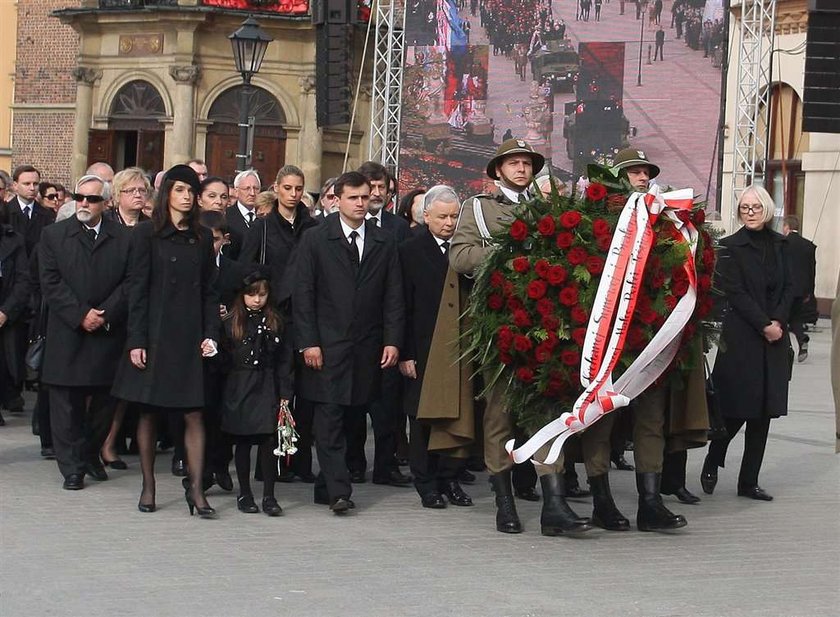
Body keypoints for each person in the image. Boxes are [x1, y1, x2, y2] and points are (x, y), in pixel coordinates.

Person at [450, 138, 592, 536]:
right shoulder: (479, 208)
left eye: (527, 163)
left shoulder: (548, 208)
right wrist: (506, 251)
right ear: (497, 170)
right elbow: (459, 257)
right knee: (500, 416)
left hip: (545, 323)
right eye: (513, 163)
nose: (521, 168)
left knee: (547, 413)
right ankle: (504, 503)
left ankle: (554, 506)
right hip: (501, 324)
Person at [600, 147, 707, 531]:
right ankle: (602, 501)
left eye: (646, 172)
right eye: (633, 172)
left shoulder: (665, 220)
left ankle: (650, 502)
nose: (642, 178)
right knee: (601, 419)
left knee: (651, 419)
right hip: (609, 337)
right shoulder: (599, 217)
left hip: (652, 335)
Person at [111, 164, 221, 516]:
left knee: (194, 413)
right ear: (167, 195)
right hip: (156, 334)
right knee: (148, 412)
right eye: (180, 190)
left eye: (191, 191)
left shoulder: (203, 237)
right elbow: (137, 290)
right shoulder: (146, 235)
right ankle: (148, 484)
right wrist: (136, 340)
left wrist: (210, 335)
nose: (187, 197)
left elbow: (209, 291)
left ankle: (197, 489)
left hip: (189, 335)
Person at [292, 171, 404, 514]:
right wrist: (308, 342)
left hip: (366, 346)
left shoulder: (384, 241)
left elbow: (393, 294)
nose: (359, 203)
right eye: (352, 197)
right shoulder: (316, 238)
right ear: (336, 199)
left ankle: (327, 485)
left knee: (353, 413)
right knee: (329, 416)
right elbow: (303, 293)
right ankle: (340, 489)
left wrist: (392, 340)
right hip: (326, 345)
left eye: (364, 196)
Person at [702, 185, 794, 502]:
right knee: (734, 411)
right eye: (745, 208)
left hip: (774, 340)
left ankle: (748, 481)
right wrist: (764, 324)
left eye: (756, 207)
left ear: (767, 209)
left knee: (764, 414)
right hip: (742, 338)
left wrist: (778, 322)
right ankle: (714, 459)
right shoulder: (729, 246)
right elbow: (735, 292)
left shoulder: (783, 245)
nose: (751, 212)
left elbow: (789, 289)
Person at [38, 174, 130, 490]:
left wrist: (104, 314)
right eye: (79, 197)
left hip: (107, 330)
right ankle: (72, 467)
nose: (84, 204)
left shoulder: (123, 238)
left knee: (105, 401)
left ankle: (90, 453)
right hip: (68, 330)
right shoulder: (54, 235)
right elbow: (50, 281)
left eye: (91, 199)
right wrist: (79, 315)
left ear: (105, 203)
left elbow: (130, 282)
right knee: (65, 404)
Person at [399, 185, 473, 509]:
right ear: (425, 215)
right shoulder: (408, 250)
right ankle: (426, 482)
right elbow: (400, 304)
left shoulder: (465, 249)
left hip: (458, 345)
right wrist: (405, 352)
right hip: (422, 345)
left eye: (454, 216)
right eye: (442, 216)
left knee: (456, 414)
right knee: (422, 417)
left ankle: (450, 478)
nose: (449, 222)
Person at [346, 161, 411, 486]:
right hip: (351, 338)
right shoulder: (337, 229)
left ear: (388, 192)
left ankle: (387, 466)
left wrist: (395, 338)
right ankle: (355, 463)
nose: (374, 193)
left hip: (383, 334)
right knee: (355, 407)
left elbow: (398, 290)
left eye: (380, 187)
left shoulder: (398, 229)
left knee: (387, 409)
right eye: (369, 187)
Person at [220, 273, 292, 516]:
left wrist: (285, 392)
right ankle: (245, 492)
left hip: (267, 384)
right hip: (239, 385)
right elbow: (223, 360)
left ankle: (269, 495)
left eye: (262, 294)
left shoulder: (276, 321)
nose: (257, 300)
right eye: (251, 294)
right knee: (242, 441)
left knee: (269, 441)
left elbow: (285, 360)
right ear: (242, 295)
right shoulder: (231, 322)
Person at [0, 209, 31, 429]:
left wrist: (6, 311)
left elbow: (23, 280)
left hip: (7, 309)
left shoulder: (13, 240)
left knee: (7, 362)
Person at [781, 215, 817, 362]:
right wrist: (810, 292)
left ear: (786, 227)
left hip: (785, 288)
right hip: (801, 290)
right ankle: (802, 341)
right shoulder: (808, 246)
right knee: (794, 317)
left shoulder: (782, 243)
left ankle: (785, 349)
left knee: (781, 317)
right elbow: (812, 271)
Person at [226, 169, 261, 260]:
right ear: (236, 191)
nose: (252, 193)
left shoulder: (265, 216)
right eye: (247, 189)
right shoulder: (226, 216)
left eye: (256, 188)